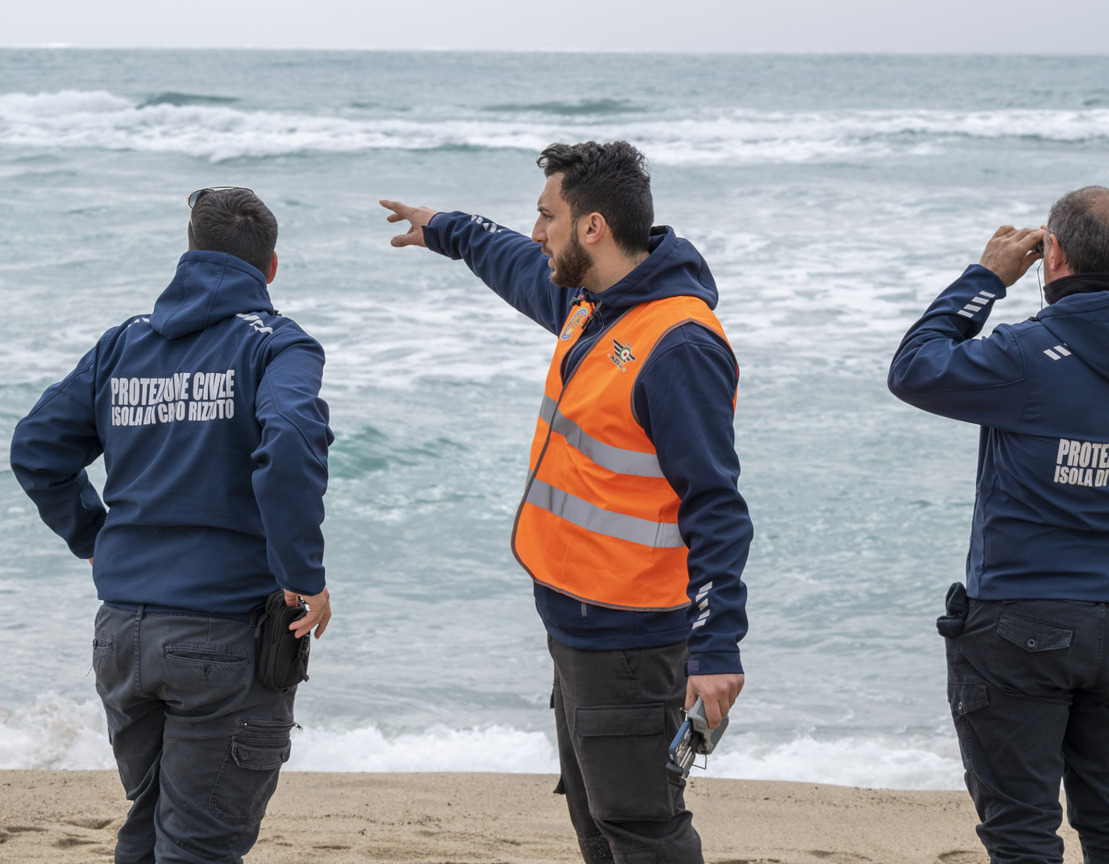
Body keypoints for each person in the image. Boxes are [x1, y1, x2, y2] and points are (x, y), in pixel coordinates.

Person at [380, 140, 752, 864]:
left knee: (642, 828)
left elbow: (716, 506)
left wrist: (716, 646)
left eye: (548, 215)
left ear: (593, 229)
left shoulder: (677, 346)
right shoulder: (596, 306)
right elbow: (521, 268)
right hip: (576, 626)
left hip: (633, 641)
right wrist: (447, 230)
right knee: (599, 827)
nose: (537, 230)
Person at [10, 187, 334, 864]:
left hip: (123, 637)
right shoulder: (276, 345)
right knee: (196, 846)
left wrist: (95, 537)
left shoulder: (125, 343)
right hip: (220, 638)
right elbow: (293, 441)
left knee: (154, 829)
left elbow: (37, 449)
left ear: (189, 256)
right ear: (269, 268)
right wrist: (303, 575)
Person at [888, 186, 1109, 863]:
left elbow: (912, 369)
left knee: (1021, 833)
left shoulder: (1025, 355)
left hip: (1022, 622)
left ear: (1052, 254)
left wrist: (985, 279)